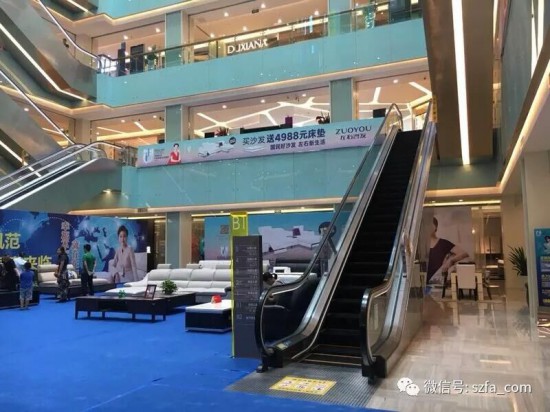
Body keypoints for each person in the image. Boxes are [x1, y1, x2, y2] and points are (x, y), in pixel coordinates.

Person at [427, 217, 469, 284]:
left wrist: (451, 260)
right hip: (422, 283)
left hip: (438, 282)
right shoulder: (420, 245)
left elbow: (464, 253)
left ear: (435, 227)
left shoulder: (443, 243)